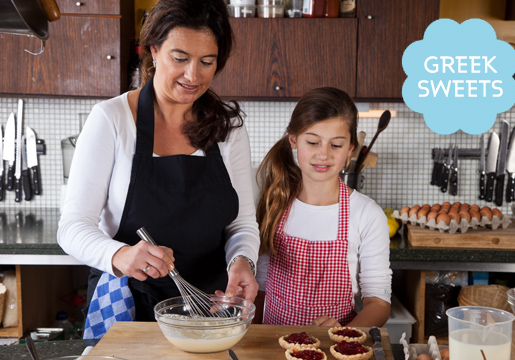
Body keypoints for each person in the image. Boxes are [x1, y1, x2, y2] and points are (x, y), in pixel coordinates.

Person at [57, 0, 259, 340]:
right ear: (153, 50)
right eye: (180, 58)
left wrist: (243, 262)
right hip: (127, 308)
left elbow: (241, 222)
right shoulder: (112, 119)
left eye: (207, 62)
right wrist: (120, 253)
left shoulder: (228, 128)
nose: (193, 75)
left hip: (208, 308)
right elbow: (72, 227)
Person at [254, 87, 392, 327]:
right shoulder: (274, 203)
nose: (323, 154)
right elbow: (260, 286)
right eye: (313, 142)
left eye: (336, 145)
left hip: (333, 350)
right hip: (272, 348)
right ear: (294, 140)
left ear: (350, 149)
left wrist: (344, 335)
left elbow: (378, 303)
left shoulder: (367, 214)